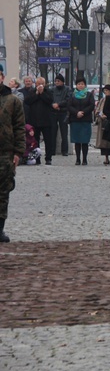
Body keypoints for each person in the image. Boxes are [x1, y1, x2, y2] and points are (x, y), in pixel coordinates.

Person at [0, 69, 26, 242]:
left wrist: (18, 152)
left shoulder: (12, 101)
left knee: (3, 191)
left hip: (4, 153)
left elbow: (19, 128)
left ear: (2, 77)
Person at [24, 77, 54, 165]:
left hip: (46, 120)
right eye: (38, 83)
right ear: (35, 84)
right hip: (34, 121)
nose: (40, 85)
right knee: (34, 141)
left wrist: (42, 93)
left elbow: (49, 101)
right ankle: (37, 158)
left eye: (41, 84)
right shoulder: (32, 92)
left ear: (44, 84)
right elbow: (27, 101)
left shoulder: (49, 91)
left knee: (48, 141)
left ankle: (48, 158)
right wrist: (37, 94)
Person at [68, 77, 95, 165]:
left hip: (85, 120)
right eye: (79, 84)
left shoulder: (89, 95)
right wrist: (76, 113)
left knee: (84, 141)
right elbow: (69, 106)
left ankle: (84, 159)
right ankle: (78, 159)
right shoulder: (72, 95)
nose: (80, 86)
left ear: (85, 85)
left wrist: (83, 112)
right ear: (76, 85)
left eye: (82, 84)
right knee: (77, 141)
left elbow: (91, 105)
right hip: (75, 120)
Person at [50, 73, 72, 157]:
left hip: (63, 112)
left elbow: (68, 99)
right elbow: (50, 99)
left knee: (64, 133)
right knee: (53, 132)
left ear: (62, 82)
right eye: (56, 81)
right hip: (53, 112)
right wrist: (53, 105)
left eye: (58, 81)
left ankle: (64, 150)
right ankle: (52, 150)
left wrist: (58, 105)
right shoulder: (52, 89)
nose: (57, 82)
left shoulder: (67, 89)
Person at [94, 85, 110, 164]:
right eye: (104, 91)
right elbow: (97, 110)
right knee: (103, 142)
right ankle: (106, 158)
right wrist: (99, 115)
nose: (106, 92)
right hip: (102, 123)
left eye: (107, 90)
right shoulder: (102, 100)